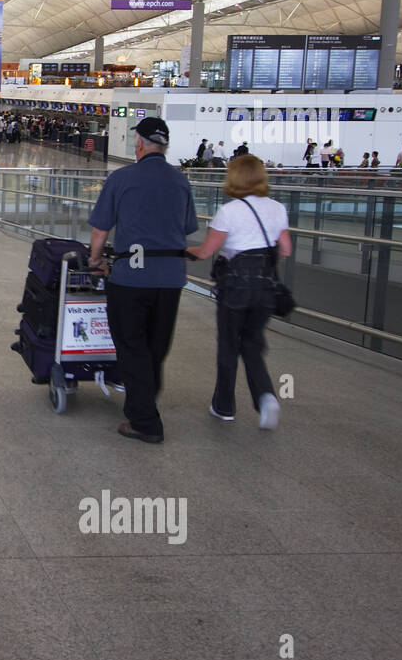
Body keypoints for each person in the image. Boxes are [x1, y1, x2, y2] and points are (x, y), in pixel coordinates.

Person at [87, 117, 198, 444]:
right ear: (164, 146)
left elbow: (99, 229)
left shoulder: (121, 179)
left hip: (131, 278)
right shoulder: (181, 181)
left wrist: (95, 261)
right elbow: (187, 227)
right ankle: (144, 400)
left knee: (132, 345)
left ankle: (146, 421)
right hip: (171, 277)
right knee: (156, 346)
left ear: (138, 144)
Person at [186, 155, 291, 430]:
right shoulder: (278, 208)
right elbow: (285, 249)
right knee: (252, 344)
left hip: (235, 288)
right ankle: (266, 397)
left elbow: (206, 251)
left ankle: (224, 406)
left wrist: (184, 251)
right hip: (266, 288)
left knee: (229, 344)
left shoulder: (229, 211)